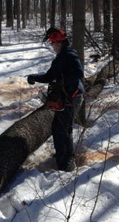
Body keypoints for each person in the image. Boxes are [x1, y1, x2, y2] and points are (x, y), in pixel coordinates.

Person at [27, 28, 84, 172]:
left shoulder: (70, 55)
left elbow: (79, 73)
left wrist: (62, 82)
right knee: (59, 128)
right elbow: (49, 76)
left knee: (62, 129)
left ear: (62, 43)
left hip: (73, 96)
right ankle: (64, 156)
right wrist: (35, 77)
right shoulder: (59, 59)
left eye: (55, 43)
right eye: (53, 43)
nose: (54, 46)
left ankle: (66, 163)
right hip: (66, 97)